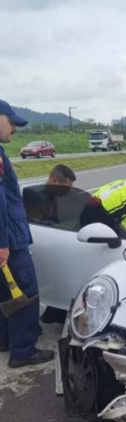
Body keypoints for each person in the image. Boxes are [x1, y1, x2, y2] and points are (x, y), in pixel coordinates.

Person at [0, 99, 54, 367]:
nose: (15, 129)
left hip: (7, 234)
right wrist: (2, 242)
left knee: (4, 290)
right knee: (26, 292)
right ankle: (23, 351)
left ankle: (5, 340)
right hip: (9, 236)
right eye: (12, 123)